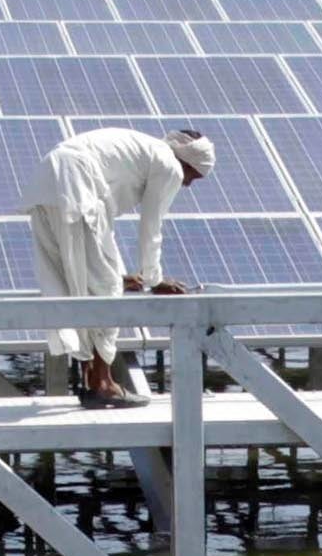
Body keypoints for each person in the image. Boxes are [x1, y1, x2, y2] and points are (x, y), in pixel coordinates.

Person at [23, 126, 214, 409]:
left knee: (73, 280)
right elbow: (151, 227)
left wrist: (119, 274)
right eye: (193, 177)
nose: (187, 185)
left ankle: (91, 379)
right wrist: (154, 279)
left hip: (46, 181)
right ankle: (103, 385)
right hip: (76, 182)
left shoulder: (144, 150)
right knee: (108, 290)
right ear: (187, 162)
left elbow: (98, 233)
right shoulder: (169, 166)